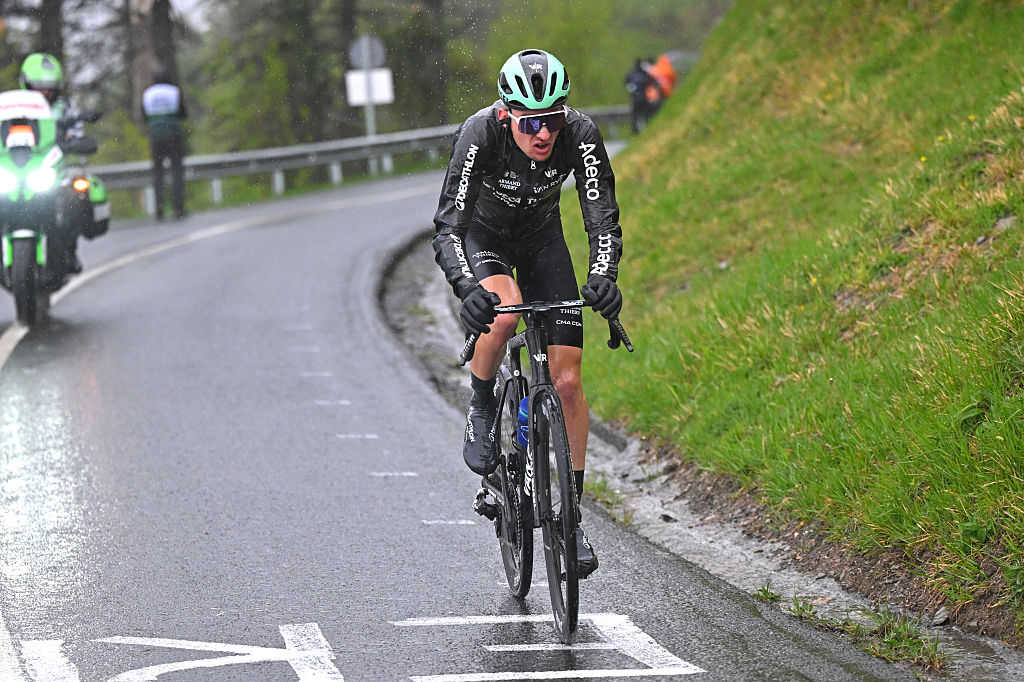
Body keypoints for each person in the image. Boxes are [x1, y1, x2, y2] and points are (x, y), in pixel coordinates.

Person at [432, 49, 624, 578]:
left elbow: (601, 217)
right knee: (507, 311)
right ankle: (481, 403)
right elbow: (447, 227)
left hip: (542, 240)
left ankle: (571, 517)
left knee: (566, 382)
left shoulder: (579, 133)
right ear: (506, 113)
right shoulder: (480, 134)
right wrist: (466, 286)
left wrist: (604, 277)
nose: (543, 134)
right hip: (485, 238)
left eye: (553, 119)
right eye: (531, 121)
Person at [19, 52, 85, 273]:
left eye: (49, 86)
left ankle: (69, 252)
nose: (44, 91)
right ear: (27, 83)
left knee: (72, 199)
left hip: (53, 169)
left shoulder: (64, 108)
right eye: (38, 85)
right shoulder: (13, 107)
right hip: (19, 168)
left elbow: (77, 131)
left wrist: (74, 140)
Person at [141, 67, 188, 220]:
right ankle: (178, 208)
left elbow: (144, 117)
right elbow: (183, 113)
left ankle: (159, 210)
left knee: (158, 173)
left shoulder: (147, 94)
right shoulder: (174, 91)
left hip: (156, 135)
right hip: (173, 134)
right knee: (176, 171)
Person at [624, 58, 660, 133]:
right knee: (645, 114)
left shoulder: (632, 74)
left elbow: (626, 82)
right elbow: (653, 81)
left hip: (636, 98)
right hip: (643, 97)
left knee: (636, 115)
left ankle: (635, 131)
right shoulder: (643, 73)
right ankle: (647, 129)